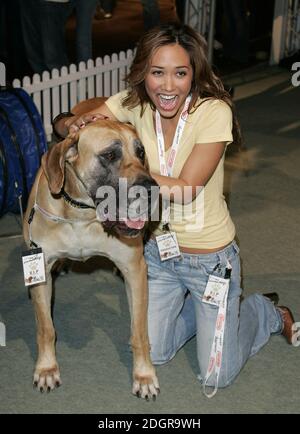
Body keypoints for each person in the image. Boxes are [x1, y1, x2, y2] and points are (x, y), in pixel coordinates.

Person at [54, 23, 297, 396]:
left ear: (194, 73)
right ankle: (211, 316)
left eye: (180, 73)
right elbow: (84, 121)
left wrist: (123, 173)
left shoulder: (213, 112)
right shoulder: (132, 103)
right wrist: (73, 125)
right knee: (157, 352)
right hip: (158, 254)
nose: (168, 86)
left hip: (209, 260)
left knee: (216, 375)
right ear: (143, 74)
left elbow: (185, 190)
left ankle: (264, 311)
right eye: (157, 73)